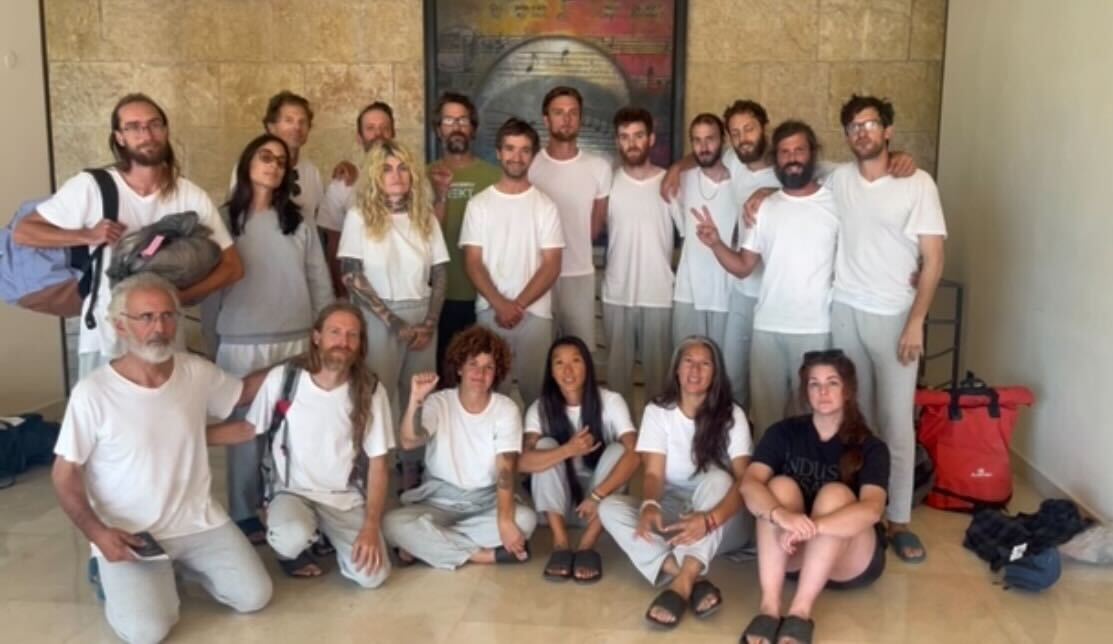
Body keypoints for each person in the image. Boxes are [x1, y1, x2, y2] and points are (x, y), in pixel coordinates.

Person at [52, 273, 271, 643]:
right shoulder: (93, 393)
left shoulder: (195, 371)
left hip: (198, 522)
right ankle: (111, 571)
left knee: (254, 596)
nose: (160, 328)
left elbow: (243, 393)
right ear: (120, 325)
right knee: (147, 633)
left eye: (168, 316)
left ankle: (176, 569)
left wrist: (302, 363)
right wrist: (98, 533)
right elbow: (65, 473)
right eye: (146, 317)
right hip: (131, 532)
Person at [14, 93, 243, 378]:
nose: (146, 134)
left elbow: (233, 266)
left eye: (154, 124)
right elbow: (24, 232)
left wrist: (182, 296)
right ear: (119, 137)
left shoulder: (189, 195)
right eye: (133, 127)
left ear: (165, 130)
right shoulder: (91, 187)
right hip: (106, 336)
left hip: (165, 337)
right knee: (104, 408)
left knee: (169, 407)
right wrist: (86, 235)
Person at [825, 95, 946, 563]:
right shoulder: (838, 179)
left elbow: (933, 260)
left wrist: (916, 321)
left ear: (888, 131)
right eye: (854, 126)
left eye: (871, 124)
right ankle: (861, 511)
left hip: (895, 316)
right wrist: (757, 196)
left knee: (896, 422)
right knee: (853, 419)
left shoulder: (917, 183)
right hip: (844, 311)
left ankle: (898, 520)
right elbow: (790, 176)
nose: (862, 132)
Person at [209, 133, 334, 543]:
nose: (274, 166)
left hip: (295, 339)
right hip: (241, 342)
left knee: (294, 431)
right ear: (248, 162)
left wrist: (324, 337)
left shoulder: (299, 222)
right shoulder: (221, 220)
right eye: (266, 157)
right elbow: (210, 290)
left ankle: (292, 508)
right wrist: (213, 341)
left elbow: (319, 280)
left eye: (281, 161)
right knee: (245, 430)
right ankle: (245, 513)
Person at [693, 120, 837, 437]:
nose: (792, 158)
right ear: (776, 159)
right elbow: (744, 266)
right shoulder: (764, 208)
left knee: (812, 421)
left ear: (813, 153)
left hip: (814, 330)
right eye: (784, 152)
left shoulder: (836, 202)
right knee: (768, 424)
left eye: (799, 150)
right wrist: (716, 243)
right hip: (767, 328)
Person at [599, 336, 754, 629]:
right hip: (677, 515)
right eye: (688, 362)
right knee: (609, 508)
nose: (695, 370)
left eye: (705, 364)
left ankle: (680, 587)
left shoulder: (732, 415)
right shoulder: (658, 411)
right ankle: (689, 576)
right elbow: (654, 474)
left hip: (722, 522)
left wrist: (709, 520)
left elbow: (746, 481)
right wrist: (649, 503)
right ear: (677, 370)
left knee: (719, 478)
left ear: (716, 373)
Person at [738, 350, 890, 644]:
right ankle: (769, 608)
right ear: (805, 392)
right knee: (778, 487)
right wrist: (781, 515)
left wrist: (813, 527)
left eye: (832, 383)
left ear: (848, 390)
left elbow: (872, 509)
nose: (823, 391)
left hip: (850, 560)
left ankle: (800, 612)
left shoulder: (871, 446)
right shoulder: (784, 432)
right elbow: (749, 484)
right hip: (794, 555)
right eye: (814, 384)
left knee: (835, 494)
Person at [243, 303, 394, 588]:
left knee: (372, 576)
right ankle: (295, 547)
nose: (343, 342)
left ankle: (322, 536)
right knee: (290, 537)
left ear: (360, 343)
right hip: (292, 491)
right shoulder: (285, 379)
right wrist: (195, 434)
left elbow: (378, 464)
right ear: (316, 337)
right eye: (335, 332)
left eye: (352, 335)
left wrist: (371, 526)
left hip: (344, 498)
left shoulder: (370, 390)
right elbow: (248, 429)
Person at [339, 140, 448, 490]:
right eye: (386, 169)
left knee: (420, 398)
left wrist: (429, 322)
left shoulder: (424, 216)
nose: (396, 175)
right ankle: (374, 472)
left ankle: (413, 470)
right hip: (378, 318)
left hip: (421, 315)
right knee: (376, 397)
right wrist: (393, 322)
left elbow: (440, 272)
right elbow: (351, 273)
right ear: (374, 175)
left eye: (402, 168)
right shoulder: (359, 216)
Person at [382, 326, 538, 569]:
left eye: (488, 367)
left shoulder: (505, 409)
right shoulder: (439, 402)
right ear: (459, 368)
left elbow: (506, 469)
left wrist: (505, 520)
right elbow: (409, 441)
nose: (480, 373)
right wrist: (416, 401)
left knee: (525, 520)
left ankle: (426, 543)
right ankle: (483, 555)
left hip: (486, 501)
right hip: (438, 500)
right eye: (473, 364)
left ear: (496, 373)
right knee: (390, 523)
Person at [460, 117, 564, 407]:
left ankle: (536, 439)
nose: (516, 157)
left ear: (532, 155)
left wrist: (516, 305)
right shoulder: (479, 205)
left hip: (536, 314)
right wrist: (500, 305)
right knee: (491, 396)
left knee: (538, 397)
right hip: (489, 313)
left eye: (524, 150)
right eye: (510, 148)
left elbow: (552, 264)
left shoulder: (545, 206)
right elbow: (473, 262)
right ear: (498, 152)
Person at [520, 336, 641, 583]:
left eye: (575, 361)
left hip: (597, 507)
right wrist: (568, 450)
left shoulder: (610, 401)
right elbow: (521, 462)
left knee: (619, 450)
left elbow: (636, 453)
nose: (568, 370)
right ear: (550, 371)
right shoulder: (540, 408)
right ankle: (560, 543)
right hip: (556, 507)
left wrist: (597, 495)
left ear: (587, 366)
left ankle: (587, 545)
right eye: (559, 363)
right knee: (544, 447)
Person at [602, 107, 678, 407]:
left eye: (638, 136)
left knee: (659, 385)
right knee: (616, 386)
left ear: (651, 139)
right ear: (617, 141)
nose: (631, 143)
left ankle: (655, 437)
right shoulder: (608, 183)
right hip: (616, 293)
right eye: (624, 137)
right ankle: (621, 437)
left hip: (658, 294)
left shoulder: (669, 183)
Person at [527, 86, 612, 350]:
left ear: (581, 118)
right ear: (546, 119)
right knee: (540, 353)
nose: (566, 119)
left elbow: (596, 224)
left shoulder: (599, 167)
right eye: (559, 112)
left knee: (580, 353)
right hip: (536, 274)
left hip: (579, 273)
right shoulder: (530, 165)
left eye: (573, 112)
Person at [425, 92, 502, 380]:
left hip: (484, 295)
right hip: (438, 295)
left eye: (463, 120)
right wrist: (440, 195)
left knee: (481, 377)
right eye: (448, 120)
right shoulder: (420, 177)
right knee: (443, 377)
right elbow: (421, 237)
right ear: (438, 129)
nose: (456, 126)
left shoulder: (495, 177)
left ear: (473, 128)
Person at [670, 114, 736, 354]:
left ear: (723, 140)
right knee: (686, 361)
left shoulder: (740, 182)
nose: (704, 147)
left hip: (728, 291)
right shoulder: (680, 181)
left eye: (710, 139)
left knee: (725, 367)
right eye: (697, 140)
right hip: (689, 291)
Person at [318, 101, 397, 292]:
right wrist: (341, 295)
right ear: (359, 137)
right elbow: (334, 246)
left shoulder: (413, 181)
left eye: (384, 128)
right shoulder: (343, 184)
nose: (378, 134)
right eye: (370, 128)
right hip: (359, 293)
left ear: (393, 134)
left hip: (405, 290)